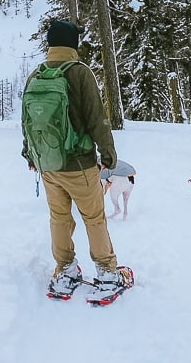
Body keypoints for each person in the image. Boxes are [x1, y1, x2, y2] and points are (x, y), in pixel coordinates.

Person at [22, 19, 133, 299]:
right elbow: (97, 118)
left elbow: (28, 122)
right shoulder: (80, 73)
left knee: (59, 219)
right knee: (94, 218)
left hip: (48, 166)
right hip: (79, 165)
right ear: (73, 44)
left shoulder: (37, 74)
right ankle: (108, 273)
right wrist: (108, 154)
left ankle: (66, 270)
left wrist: (31, 155)